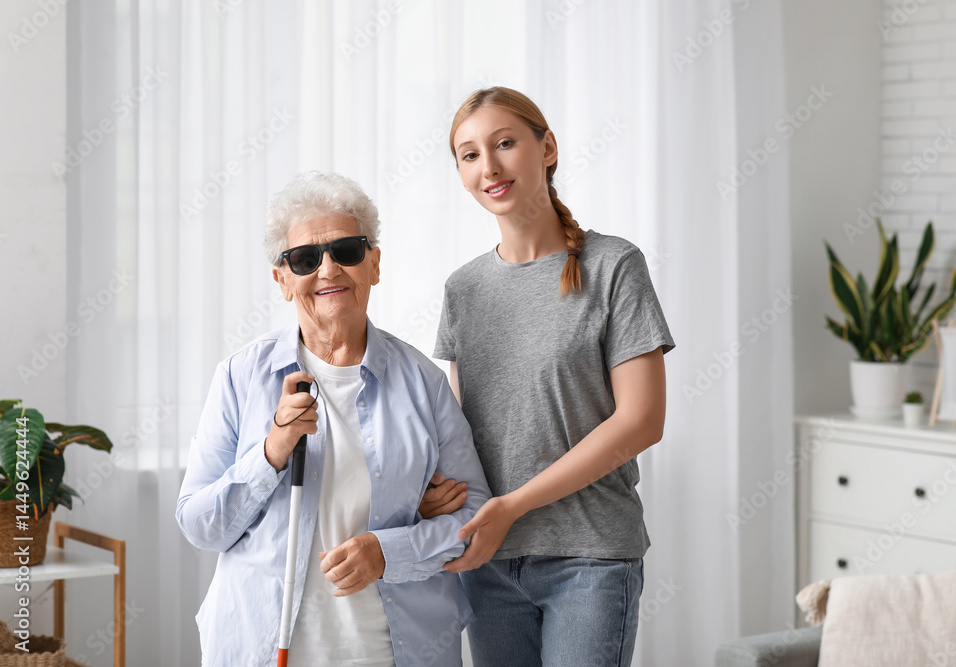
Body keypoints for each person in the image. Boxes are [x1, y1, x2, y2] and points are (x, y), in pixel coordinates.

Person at [176, 171, 491, 666]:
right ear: (282, 280)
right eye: (304, 259)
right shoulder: (241, 377)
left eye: (346, 250)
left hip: (395, 651)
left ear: (374, 263)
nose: (328, 269)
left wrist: (390, 551)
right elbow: (199, 525)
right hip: (261, 649)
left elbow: (476, 519)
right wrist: (271, 451)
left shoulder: (423, 383)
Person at [432, 87, 675, 667]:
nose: (488, 166)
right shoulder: (464, 289)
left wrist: (513, 505)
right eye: (469, 155)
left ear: (547, 148)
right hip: (487, 560)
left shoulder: (614, 266)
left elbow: (642, 421)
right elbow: (463, 434)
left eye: (505, 143)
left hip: (588, 559)